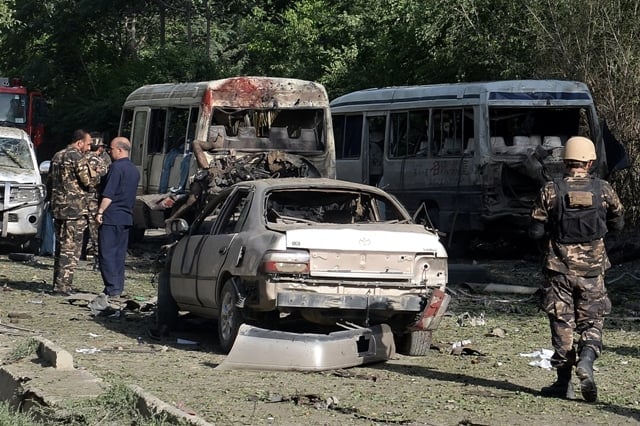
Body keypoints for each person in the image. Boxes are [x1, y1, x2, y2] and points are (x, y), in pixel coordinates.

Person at [529, 136, 624, 402]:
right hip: (593, 270)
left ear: (565, 161)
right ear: (590, 162)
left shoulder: (550, 190)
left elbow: (535, 230)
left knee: (562, 321)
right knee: (592, 320)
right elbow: (618, 223)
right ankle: (587, 359)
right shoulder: (603, 189)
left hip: (558, 268)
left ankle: (563, 383)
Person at [48, 129, 93, 294]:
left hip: (59, 207)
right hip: (74, 210)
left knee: (60, 247)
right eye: (88, 144)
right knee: (70, 247)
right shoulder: (76, 156)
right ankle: (63, 286)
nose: (89, 148)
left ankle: (58, 283)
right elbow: (87, 180)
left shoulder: (57, 156)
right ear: (79, 142)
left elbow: (50, 180)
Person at [95, 137, 140, 298]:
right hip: (126, 217)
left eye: (111, 149)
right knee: (119, 255)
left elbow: (109, 194)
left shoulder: (116, 168)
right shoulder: (134, 170)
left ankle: (112, 288)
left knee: (107, 253)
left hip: (112, 216)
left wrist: (100, 212)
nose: (109, 151)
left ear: (120, 150)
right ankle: (118, 287)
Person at [78, 134, 111, 269]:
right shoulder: (99, 161)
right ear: (100, 148)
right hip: (93, 200)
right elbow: (104, 179)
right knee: (95, 231)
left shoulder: (79, 158)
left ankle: (77, 256)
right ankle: (98, 260)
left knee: (78, 229)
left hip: (79, 199)